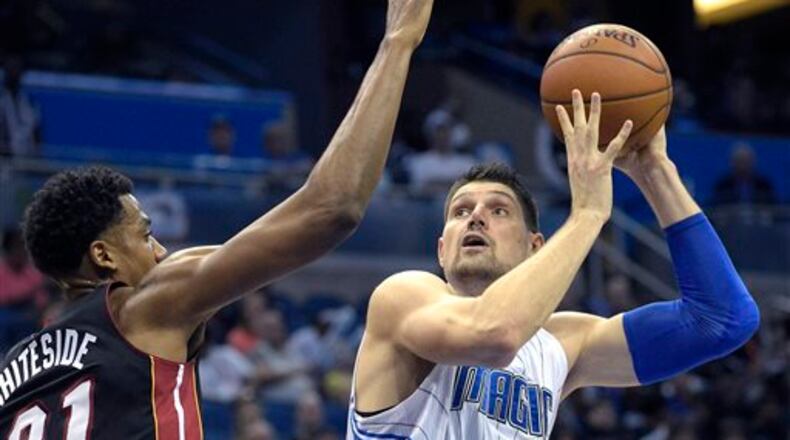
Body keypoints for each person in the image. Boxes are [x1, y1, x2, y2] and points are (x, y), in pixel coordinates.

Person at [0, 1, 435, 437]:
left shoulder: (9, 376)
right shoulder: (141, 306)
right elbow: (331, 209)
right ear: (104, 255)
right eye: (145, 235)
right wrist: (397, 44)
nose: (160, 250)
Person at [348, 90, 760, 438]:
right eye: (460, 211)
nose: (474, 217)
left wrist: (655, 172)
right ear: (442, 250)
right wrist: (587, 215)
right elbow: (495, 333)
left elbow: (722, 320)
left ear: (535, 247)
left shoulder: (561, 345)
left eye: (499, 211)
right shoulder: (403, 297)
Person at [0, 57, 41, 157]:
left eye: (17, 70)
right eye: (11, 70)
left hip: (27, 161)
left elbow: (36, 132)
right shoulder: (2, 101)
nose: (14, 74)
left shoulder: (30, 103)